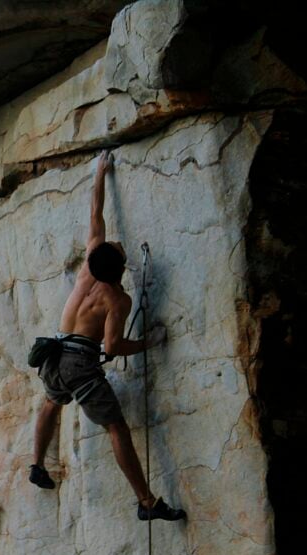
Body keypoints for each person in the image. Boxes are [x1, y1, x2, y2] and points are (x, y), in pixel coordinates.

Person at [29, 149, 186, 522]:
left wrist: (100, 173)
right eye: (117, 248)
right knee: (116, 427)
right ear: (121, 269)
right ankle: (146, 501)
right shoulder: (118, 298)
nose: (114, 242)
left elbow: (95, 213)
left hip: (53, 353)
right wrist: (150, 341)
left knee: (52, 403)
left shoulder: (88, 268)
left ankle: (36, 464)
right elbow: (112, 346)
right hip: (80, 363)